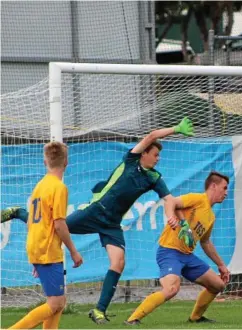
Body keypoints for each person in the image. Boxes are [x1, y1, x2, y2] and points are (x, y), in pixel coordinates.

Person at [2, 118, 194, 324]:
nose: (158, 159)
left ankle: (99, 310)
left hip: (111, 223)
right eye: (155, 154)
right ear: (144, 153)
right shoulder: (131, 160)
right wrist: (176, 129)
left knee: (119, 262)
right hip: (95, 211)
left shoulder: (154, 178)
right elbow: (151, 135)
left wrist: (175, 219)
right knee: (55, 225)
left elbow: (169, 200)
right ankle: (19, 212)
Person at [124, 171, 230, 326]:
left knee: (217, 285)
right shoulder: (198, 199)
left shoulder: (211, 216)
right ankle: (132, 319)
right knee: (172, 289)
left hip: (187, 256)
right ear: (213, 186)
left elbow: (206, 243)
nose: (226, 192)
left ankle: (196, 318)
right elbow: (171, 202)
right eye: (224, 188)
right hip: (169, 252)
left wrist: (221, 265)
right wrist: (171, 218)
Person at [8, 142, 83, 329]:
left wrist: (36, 256)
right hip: (47, 250)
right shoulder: (59, 188)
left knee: (58, 301)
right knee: (56, 303)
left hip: (38, 247)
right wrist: (74, 251)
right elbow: (59, 224)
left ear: (45, 162)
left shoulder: (39, 186)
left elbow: (32, 223)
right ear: (66, 161)